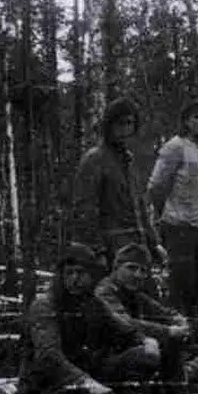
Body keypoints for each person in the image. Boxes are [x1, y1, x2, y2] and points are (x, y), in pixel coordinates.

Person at [18, 243, 196, 394]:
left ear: (91, 276)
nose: (74, 279)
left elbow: (123, 329)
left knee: (141, 357)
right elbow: (49, 357)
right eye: (69, 273)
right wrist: (85, 382)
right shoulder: (45, 306)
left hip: (83, 377)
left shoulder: (91, 302)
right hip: (48, 388)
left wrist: (145, 340)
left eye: (81, 273)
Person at [93, 243, 198, 394]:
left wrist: (178, 321)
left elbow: (161, 311)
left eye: (143, 271)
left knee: (169, 343)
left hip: (123, 356)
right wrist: (168, 330)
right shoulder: (105, 292)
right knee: (152, 350)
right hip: (102, 364)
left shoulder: (133, 293)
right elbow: (125, 322)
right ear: (116, 267)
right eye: (131, 268)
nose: (137, 275)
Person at [146, 105, 198, 349]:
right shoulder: (175, 147)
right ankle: (179, 339)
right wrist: (165, 214)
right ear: (186, 121)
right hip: (179, 225)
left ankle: (197, 334)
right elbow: (156, 185)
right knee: (181, 284)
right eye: (197, 117)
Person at [71, 98, 153, 267]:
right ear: (109, 126)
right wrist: (97, 249)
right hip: (110, 248)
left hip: (135, 246)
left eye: (129, 123)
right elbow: (85, 208)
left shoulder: (129, 161)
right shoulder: (94, 159)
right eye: (120, 124)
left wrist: (153, 242)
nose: (125, 130)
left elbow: (139, 206)